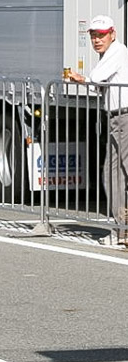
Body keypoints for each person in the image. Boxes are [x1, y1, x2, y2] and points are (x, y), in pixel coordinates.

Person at [68, 15, 128, 244]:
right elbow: (99, 84)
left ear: (113, 34)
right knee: (113, 174)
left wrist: (84, 79)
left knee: (115, 174)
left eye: (101, 35)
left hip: (123, 117)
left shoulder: (117, 51)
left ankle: (121, 230)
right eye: (93, 35)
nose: (96, 40)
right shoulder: (112, 53)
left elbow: (97, 78)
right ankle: (121, 230)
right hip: (117, 117)